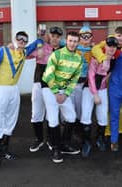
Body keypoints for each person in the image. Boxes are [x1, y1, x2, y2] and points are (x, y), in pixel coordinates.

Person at [0, 31, 43, 173]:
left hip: (13, 90)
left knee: (10, 120)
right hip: (0, 89)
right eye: (19, 38)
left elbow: (37, 43)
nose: (22, 41)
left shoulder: (23, 52)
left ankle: (4, 151)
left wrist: (40, 41)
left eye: (25, 39)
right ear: (14, 39)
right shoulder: (3, 50)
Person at [42, 31, 82, 163]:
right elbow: (48, 75)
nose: (72, 43)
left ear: (78, 42)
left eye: (75, 41)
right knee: (53, 120)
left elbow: (74, 79)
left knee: (71, 117)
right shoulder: (57, 54)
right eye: (70, 41)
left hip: (64, 91)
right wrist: (56, 92)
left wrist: (66, 94)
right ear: (67, 40)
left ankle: (64, 144)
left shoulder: (78, 58)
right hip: (50, 89)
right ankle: (56, 149)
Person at [80, 36, 118, 157]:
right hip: (89, 89)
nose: (111, 48)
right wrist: (95, 94)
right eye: (109, 46)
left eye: (114, 46)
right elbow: (91, 76)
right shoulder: (96, 56)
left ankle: (99, 138)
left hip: (102, 89)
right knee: (85, 115)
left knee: (102, 117)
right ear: (105, 46)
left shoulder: (114, 60)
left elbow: (107, 76)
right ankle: (86, 142)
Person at [29, 26, 64, 153]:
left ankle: (50, 139)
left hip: (53, 85)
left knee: (51, 113)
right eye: (52, 36)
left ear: (60, 38)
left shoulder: (63, 50)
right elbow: (26, 55)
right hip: (38, 82)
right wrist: (37, 46)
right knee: (36, 113)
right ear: (49, 35)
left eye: (57, 36)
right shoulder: (42, 46)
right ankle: (39, 139)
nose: (54, 38)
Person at [69, 25, 93, 143]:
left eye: (88, 35)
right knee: (71, 110)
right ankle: (72, 132)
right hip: (73, 84)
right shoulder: (72, 47)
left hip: (87, 85)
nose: (86, 38)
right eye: (83, 35)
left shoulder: (94, 49)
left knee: (82, 110)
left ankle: (80, 133)